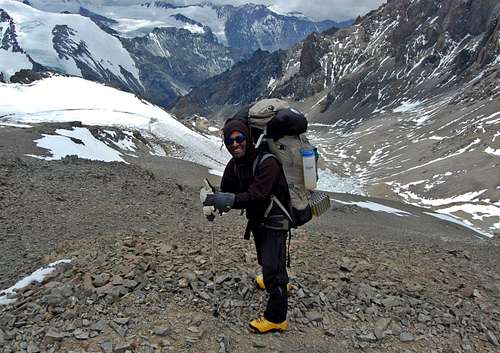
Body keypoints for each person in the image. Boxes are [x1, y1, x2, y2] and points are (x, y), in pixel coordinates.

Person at [203, 118, 291, 334]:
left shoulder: (268, 163)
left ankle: (276, 318)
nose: (235, 144)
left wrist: (229, 200)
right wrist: (215, 201)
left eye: (239, 138)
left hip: (276, 219)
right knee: (266, 259)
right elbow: (227, 190)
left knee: (272, 269)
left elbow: (257, 195)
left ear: (248, 138)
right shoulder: (234, 166)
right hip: (258, 219)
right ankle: (278, 279)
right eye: (230, 141)